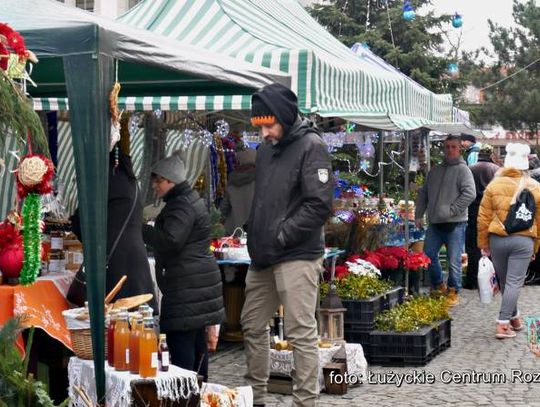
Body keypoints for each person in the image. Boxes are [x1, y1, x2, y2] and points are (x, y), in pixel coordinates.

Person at [241, 83, 333, 407]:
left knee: (300, 333)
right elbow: (265, 199)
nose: (264, 133)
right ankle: (256, 398)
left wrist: (282, 234)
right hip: (264, 255)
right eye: (260, 126)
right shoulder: (267, 149)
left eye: (269, 125)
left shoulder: (312, 146)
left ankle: (304, 401)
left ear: (284, 117)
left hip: (297, 254)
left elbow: (319, 205)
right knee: (251, 325)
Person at [142, 155, 225, 381]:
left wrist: (140, 230)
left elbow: (171, 239)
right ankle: (198, 391)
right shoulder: (187, 200)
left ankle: (186, 395)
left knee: (181, 349)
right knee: (196, 343)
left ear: (171, 181)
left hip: (187, 286)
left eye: (159, 181)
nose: (155, 185)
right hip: (194, 283)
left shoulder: (182, 204)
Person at [70, 148, 157, 310]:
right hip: (136, 262)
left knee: (115, 324)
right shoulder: (131, 181)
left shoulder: (105, 180)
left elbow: (83, 222)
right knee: (137, 322)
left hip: (115, 265)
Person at [477, 143, 540, 339]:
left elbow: (483, 217)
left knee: (506, 282)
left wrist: (483, 243)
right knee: (513, 282)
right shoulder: (536, 187)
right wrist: (535, 247)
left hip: (498, 239)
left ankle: (514, 318)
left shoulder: (493, 185)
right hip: (523, 240)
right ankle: (502, 324)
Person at [414, 135, 475, 306]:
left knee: (454, 259)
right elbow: (424, 194)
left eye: (453, 147)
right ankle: (438, 285)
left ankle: (453, 290)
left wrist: (452, 210)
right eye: (447, 146)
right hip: (435, 223)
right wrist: (419, 214)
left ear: (459, 149)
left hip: (456, 223)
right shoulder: (435, 171)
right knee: (428, 255)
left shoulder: (464, 170)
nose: (449, 150)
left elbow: (470, 194)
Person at [463, 144, 499, 289]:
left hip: (472, 210)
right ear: (491, 154)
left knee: (472, 246)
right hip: (490, 211)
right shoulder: (496, 170)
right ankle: (491, 280)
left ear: (479, 154)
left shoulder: (470, 169)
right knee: (492, 244)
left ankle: (472, 281)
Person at [220, 149, 257, 235]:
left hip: (233, 230)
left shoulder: (232, 182)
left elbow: (224, 208)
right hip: (254, 230)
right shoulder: (260, 180)